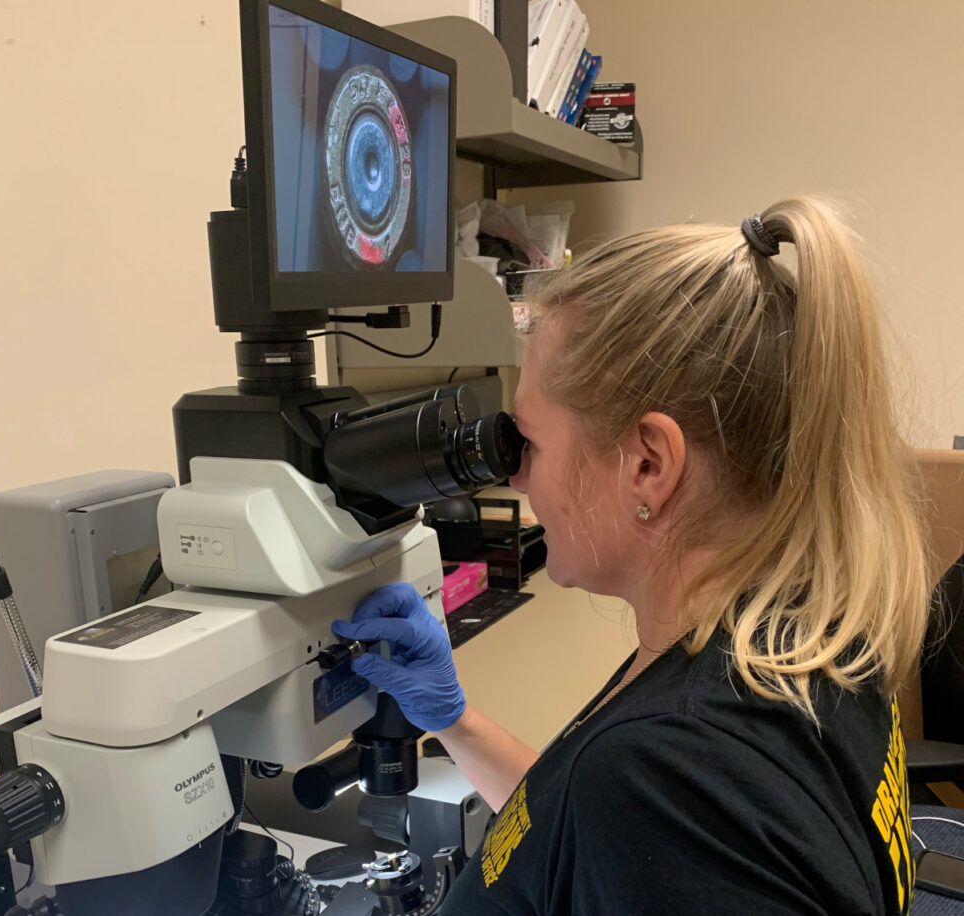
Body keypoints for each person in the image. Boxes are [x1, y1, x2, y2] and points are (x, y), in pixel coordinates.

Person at [332, 197, 929, 915]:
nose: (516, 476)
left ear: (647, 465)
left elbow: (654, 824)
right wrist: (455, 722)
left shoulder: (676, 776)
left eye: (532, 443)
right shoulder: (789, 632)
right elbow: (586, 841)